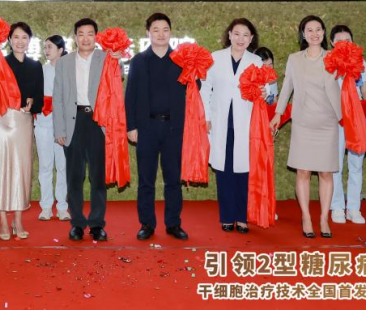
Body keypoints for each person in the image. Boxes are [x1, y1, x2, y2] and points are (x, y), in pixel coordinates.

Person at [271, 15, 342, 239]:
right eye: (309, 30)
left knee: (326, 172)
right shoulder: (294, 59)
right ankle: (306, 217)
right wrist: (278, 113)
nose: (314, 34)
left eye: (318, 29)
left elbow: (347, 86)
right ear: (303, 34)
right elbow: (287, 87)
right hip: (303, 122)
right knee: (303, 171)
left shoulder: (334, 57)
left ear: (324, 32)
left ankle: (324, 218)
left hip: (328, 122)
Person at [204, 19, 275, 234]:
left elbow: (268, 91)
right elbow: (205, 89)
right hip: (221, 121)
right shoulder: (215, 58)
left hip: (247, 123)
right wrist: (206, 117)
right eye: (236, 34)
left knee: (244, 170)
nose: (240, 39)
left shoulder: (256, 61)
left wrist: (265, 92)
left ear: (251, 38)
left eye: (245, 35)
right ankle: (227, 216)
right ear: (229, 35)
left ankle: (242, 217)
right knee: (224, 170)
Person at [125, 13, 188, 241]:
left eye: (165, 30)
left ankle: (173, 223)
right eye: (156, 30)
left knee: (173, 180)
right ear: (148, 33)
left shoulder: (181, 60)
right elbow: (130, 96)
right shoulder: (139, 61)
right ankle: (147, 224)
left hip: (174, 128)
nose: (161, 34)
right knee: (146, 180)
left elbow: (194, 90)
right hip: (146, 128)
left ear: (171, 32)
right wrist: (131, 126)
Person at [53, 18, 111, 242]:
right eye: (81, 34)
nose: (85, 38)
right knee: (74, 176)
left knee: (98, 177)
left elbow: (115, 90)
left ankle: (97, 224)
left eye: (90, 34)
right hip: (73, 121)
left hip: (98, 121)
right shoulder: (64, 62)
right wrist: (59, 129)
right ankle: (77, 223)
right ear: (75, 37)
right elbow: (58, 97)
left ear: (96, 36)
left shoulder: (106, 59)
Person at [0, 22, 44, 240]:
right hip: (1, 120)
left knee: (21, 168)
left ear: (29, 41)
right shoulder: (0, 62)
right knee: (0, 167)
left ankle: (18, 219)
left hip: (23, 122)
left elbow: (39, 98)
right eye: (16, 37)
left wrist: (32, 103)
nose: (20, 41)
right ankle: (2, 220)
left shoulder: (35, 66)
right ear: (9, 40)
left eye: (24, 37)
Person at [328, 25, 366, 225]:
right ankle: (337, 206)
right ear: (332, 43)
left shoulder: (360, 61)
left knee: (356, 165)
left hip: (357, 118)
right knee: (335, 165)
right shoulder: (328, 62)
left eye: (348, 40)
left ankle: (354, 208)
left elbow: (365, 90)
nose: (344, 44)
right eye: (339, 40)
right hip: (336, 118)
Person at [36, 35, 69, 222]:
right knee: (45, 165)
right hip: (43, 122)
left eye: (50, 47)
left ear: (60, 50)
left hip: (64, 124)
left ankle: (62, 206)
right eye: (45, 47)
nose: (46, 50)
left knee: (63, 166)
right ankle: (46, 206)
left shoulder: (69, 71)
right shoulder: (40, 70)